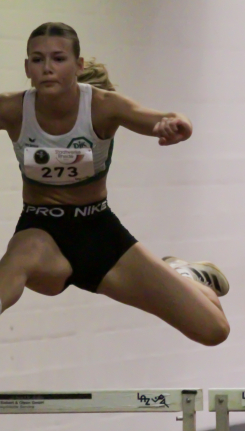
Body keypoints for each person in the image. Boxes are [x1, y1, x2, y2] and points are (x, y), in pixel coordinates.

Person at [0, 23, 230, 346]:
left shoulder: (103, 106)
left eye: (58, 58)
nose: (47, 68)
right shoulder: (12, 108)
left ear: (78, 66)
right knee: (20, 256)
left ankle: (181, 275)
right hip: (41, 232)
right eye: (37, 60)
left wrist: (177, 125)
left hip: (99, 235)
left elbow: (160, 117)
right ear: (27, 67)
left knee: (214, 329)